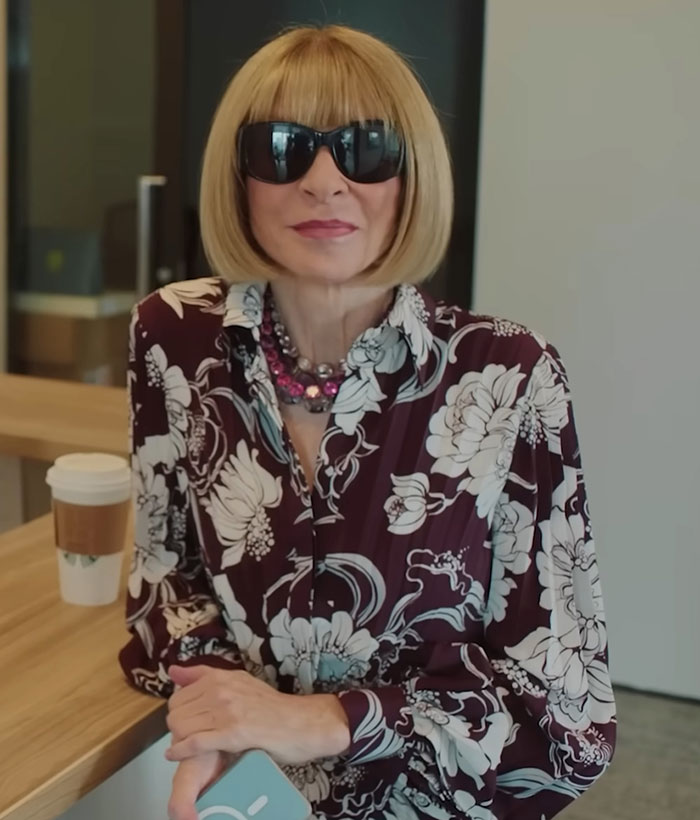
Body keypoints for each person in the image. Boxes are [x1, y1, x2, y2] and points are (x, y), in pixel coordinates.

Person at [118, 23, 616, 820]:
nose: (324, 181)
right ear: (239, 178)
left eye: (366, 149)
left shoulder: (511, 375)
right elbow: (164, 584)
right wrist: (218, 718)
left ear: (410, 176)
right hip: (247, 804)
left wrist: (325, 721)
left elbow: (565, 726)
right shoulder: (173, 338)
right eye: (282, 149)